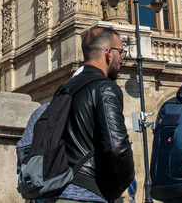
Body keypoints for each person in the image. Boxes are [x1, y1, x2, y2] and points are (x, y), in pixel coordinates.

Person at [52, 26, 134, 203]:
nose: (121, 60)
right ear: (108, 53)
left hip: (57, 189)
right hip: (87, 191)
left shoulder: (64, 89)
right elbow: (116, 148)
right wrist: (121, 185)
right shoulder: (105, 88)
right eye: (120, 52)